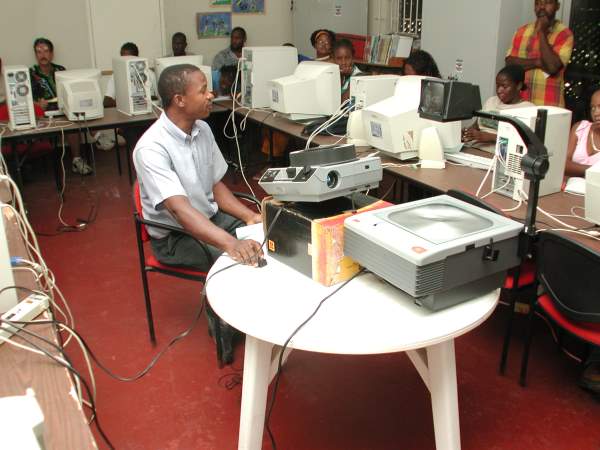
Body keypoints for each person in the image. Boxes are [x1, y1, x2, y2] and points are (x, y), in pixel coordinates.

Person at [133, 64, 262, 363]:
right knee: (229, 262)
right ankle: (223, 332)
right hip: (176, 237)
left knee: (266, 237)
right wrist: (230, 244)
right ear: (179, 99)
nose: (211, 94)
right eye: (203, 90)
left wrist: (248, 217)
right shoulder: (151, 148)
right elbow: (180, 212)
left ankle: (250, 314)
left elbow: (215, 186)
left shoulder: (202, 129)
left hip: (210, 218)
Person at [29, 38, 91, 175]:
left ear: (51, 54)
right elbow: (26, 100)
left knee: (73, 123)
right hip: (43, 114)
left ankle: (76, 160)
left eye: (46, 51)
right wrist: (37, 105)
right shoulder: (30, 73)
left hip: (63, 111)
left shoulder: (61, 70)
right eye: (38, 52)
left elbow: (71, 91)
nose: (42, 55)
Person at [505, 0, 573, 107]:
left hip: (548, 105)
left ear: (557, 6)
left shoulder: (564, 34)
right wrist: (538, 62)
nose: (541, 7)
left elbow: (552, 67)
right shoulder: (521, 31)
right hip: (519, 104)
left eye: (547, 2)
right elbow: (509, 64)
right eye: (537, 3)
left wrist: (541, 31)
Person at [462, 65, 535, 153]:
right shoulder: (491, 101)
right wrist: (467, 133)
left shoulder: (528, 109)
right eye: (497, 86)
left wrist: (490, 137)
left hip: (499, 155)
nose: (499, 90)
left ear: (519, 86)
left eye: (504, 86)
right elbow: (476, 126)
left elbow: (525, 142)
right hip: (474, 149)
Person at [103, 42, 157, 108]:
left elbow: (159, 98)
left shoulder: (150, 74)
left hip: (147, 111)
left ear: (137, 57)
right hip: (124, 114)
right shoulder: (115, 76)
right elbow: (106, 102)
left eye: (129, 58)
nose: (126, 62)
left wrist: (139, 101)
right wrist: (130, 103)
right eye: (123, 59)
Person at [564, 87, 600, 177]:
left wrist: (576, 169)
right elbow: (564, 165)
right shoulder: (581, 128)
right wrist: (593, 171)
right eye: (593, 108)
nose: (596, 113)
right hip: (572, 188)